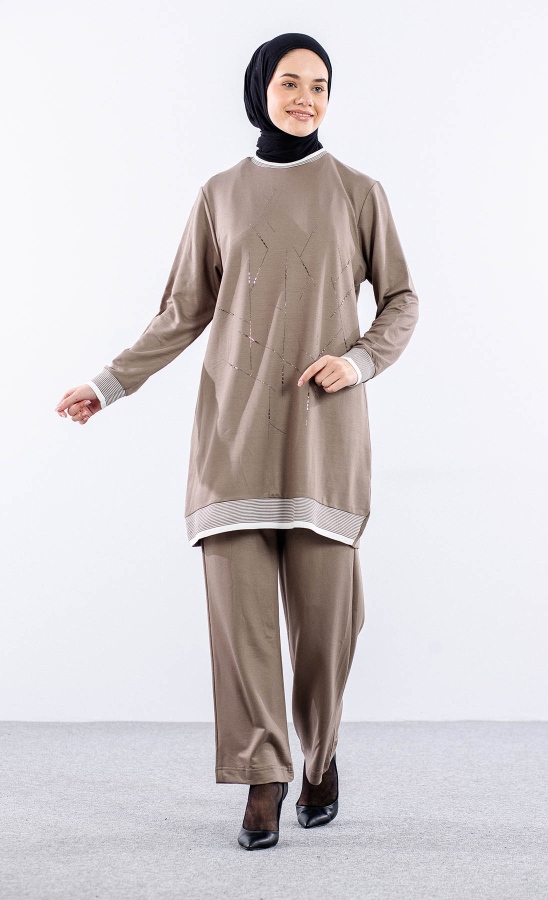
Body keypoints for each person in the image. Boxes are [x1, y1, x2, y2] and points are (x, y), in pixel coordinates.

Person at [55, 32, 419, 850]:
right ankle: (264, 776)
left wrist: (360, 360)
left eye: (319, 85)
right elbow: (182, 310)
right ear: (260, 90)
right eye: (289, 82)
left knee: (328, 633)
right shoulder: (219, 194)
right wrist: (106, 384)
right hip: (231, 443)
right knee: (241, 628)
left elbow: (401, 298)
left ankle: (318, 754)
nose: (305, 98)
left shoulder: (359, 192)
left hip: (324, 443)